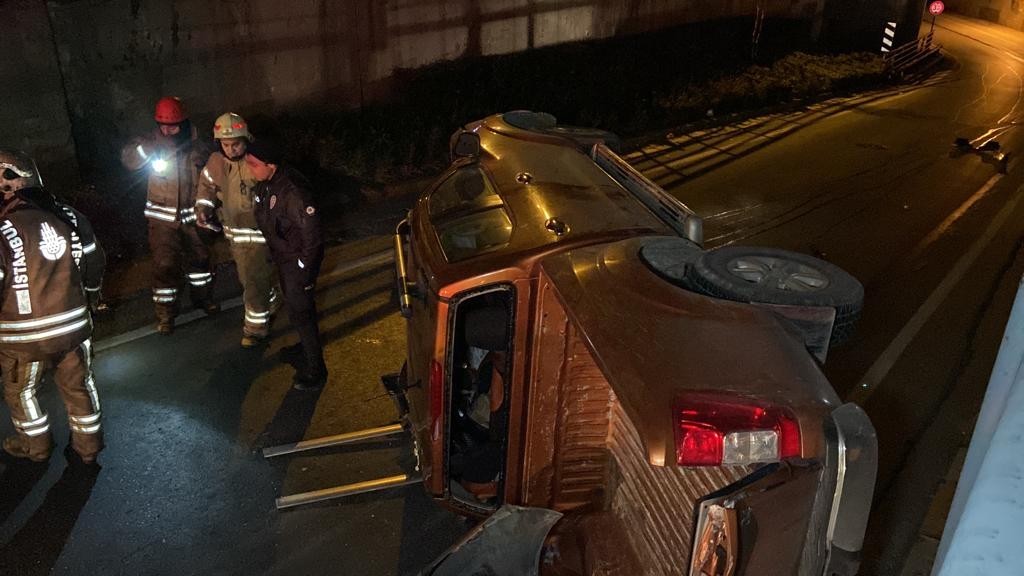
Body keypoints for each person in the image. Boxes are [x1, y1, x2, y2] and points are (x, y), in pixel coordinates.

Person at [0, 149, 105, 464]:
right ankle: (88, 448)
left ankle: (37, 447)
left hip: (22, 338)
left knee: (22, 392)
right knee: (79, 386)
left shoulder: (2, 226)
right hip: (73, 327)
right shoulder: (70, 217)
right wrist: (92, 295)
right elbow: (93, 262)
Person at [121, 96, 217, 335]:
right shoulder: (150, 143)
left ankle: (203, 299)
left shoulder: (198, 146)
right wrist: (146, 149)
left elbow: (211, 177)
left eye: (173, 126)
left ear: (183, 123)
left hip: (193, 217)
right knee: (165, 265)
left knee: (200, 262)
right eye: (163, 126)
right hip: (162, 220)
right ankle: (166, 314)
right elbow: (129, 160)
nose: (167, 131)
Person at [246, 139, 328, 390]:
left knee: (302, 314)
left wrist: (303, 269)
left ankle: (316, 370)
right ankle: (305, 348)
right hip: (285, 259)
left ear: (270, 164)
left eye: (253, 164)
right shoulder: (268, 184)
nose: (249, 168)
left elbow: (312, 237)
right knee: (295, 311)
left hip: (297, 263)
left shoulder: (292, 192)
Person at [196, 112, 278, 347]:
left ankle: (256, 329)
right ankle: (272, 297)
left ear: (246, 139)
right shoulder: (216, 162)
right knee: (252, 278)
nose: (231, 150)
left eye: (236, 144)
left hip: (258, 233)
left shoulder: (256, 160)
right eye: (225, 145)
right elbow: (206, 186)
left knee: (252, 281)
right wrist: (203, 208)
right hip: (234, 234)